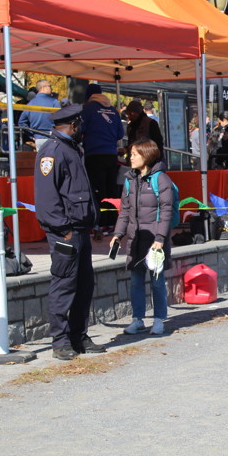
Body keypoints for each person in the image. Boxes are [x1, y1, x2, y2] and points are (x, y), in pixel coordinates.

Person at [34, 104, 105, 360]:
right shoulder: (52, 152)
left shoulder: (72, 149)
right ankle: (60, 341)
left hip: (80, 229)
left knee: (84, 286)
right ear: (73, 125)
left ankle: (79, 336)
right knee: (64, 285)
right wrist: (63, 229)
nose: (82, 129)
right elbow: (47, 200)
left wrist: (93, 223)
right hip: (65, 232)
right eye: (80, 124)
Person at [111, 139, 173, 336]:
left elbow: (166, 210)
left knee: (157, 281)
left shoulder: (161, 179)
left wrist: (160, 237)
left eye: (134, 154)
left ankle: (159, 319)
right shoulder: (130, 179)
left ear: (147, 155)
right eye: (130, 154)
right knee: (136, 281)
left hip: (155, 240)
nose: (130, 158)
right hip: (135, 239)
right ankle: (137, 319)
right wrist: (118, 234)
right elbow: (124, 211)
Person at [81, 84, 124, 233]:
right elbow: (120, 134)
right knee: (111, 189)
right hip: (111, 155)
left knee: (98, 190)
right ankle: (112, 222)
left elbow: (81, 129)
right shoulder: (113, 110)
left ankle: (101, 223)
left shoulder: (87, 108)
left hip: (94, 154)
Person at [18, 79, 60, 145]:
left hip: (38, 138)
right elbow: (61, 118)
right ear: (43, 88)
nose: (51, 89)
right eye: (49, 86)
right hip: (52, 137)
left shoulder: (30, 104)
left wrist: (31, 135)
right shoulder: (54, 102)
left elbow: (21, 122)